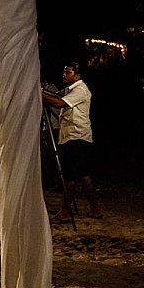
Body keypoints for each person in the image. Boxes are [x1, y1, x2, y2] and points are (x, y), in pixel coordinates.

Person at [41, 61, 102, 221]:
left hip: (76, 136)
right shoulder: (72, 89)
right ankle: (94, 209)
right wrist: (43, 91)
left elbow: (59, 103)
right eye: (64, 71)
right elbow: (56, 96)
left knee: (70, 175)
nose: (64, 74)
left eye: (68, 72)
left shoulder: (81, 90)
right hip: (76, 136)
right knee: (83, 174)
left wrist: (39, 92)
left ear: (77, 75)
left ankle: (66, 211)